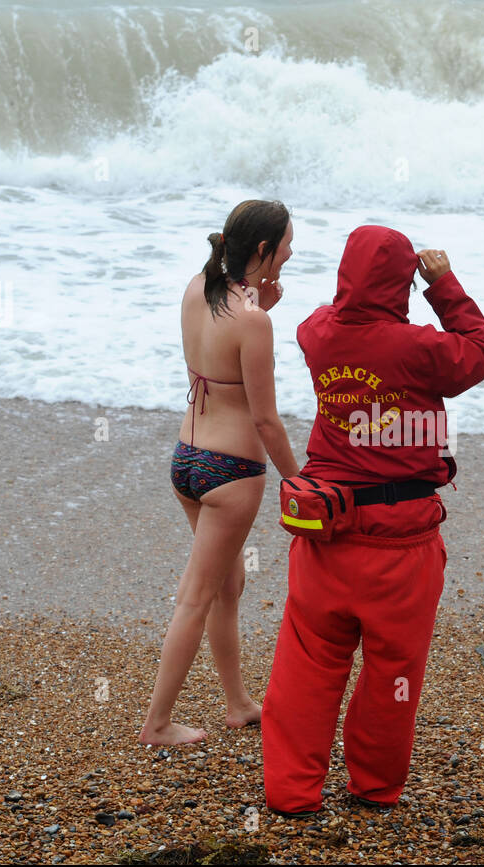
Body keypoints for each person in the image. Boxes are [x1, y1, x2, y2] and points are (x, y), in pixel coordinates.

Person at [261, 226, 484, 816]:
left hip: (327, 531)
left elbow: (324, 316)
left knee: (308, 665)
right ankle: (374, 787)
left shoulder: (317, 333)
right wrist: (443, 285)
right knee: (393, 671)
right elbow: (482, 354)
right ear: (402, 281)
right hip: (402, 543)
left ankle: (291, 792)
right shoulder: (420, 348)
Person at [139, 200, 301, 746]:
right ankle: (157, 723)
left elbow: (223, 345)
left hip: (187, 459)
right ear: (262, 250)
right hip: (232, 472)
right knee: (197, 595)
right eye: (284, 249)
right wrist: (299, 481)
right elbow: (265, 420)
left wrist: (262, 308)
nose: (290, 255)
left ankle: (237, 704)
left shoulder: (195, 287)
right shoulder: (253, 322)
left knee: (229, 583)